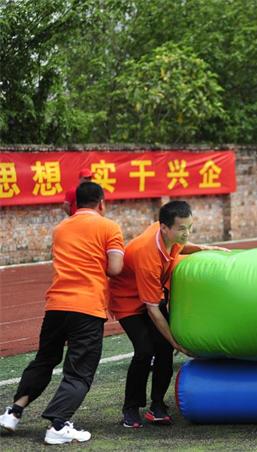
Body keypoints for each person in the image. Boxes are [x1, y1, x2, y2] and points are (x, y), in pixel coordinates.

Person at [0, 182, 124, 444]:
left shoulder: (61, 228)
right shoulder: (109, 227)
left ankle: (13, 412)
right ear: (101, 203)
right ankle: (58, 425)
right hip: (87, 307)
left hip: (56, 306)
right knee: (80, 370)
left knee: (45, 359)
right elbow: (115, 268)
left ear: (75, 203)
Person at [108, 201, 228, 428]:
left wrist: (206, 248)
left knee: (163, 349)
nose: (187, 233)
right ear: (164, 227)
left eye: (189, 227)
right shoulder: (148, 254)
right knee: (145, 350)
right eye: (182, 228)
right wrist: (176, 342)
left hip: (151, 293)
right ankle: (130, 407)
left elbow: (181, 245)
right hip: (128, 301)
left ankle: (157, 405)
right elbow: (153, 310)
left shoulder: (168, 234)